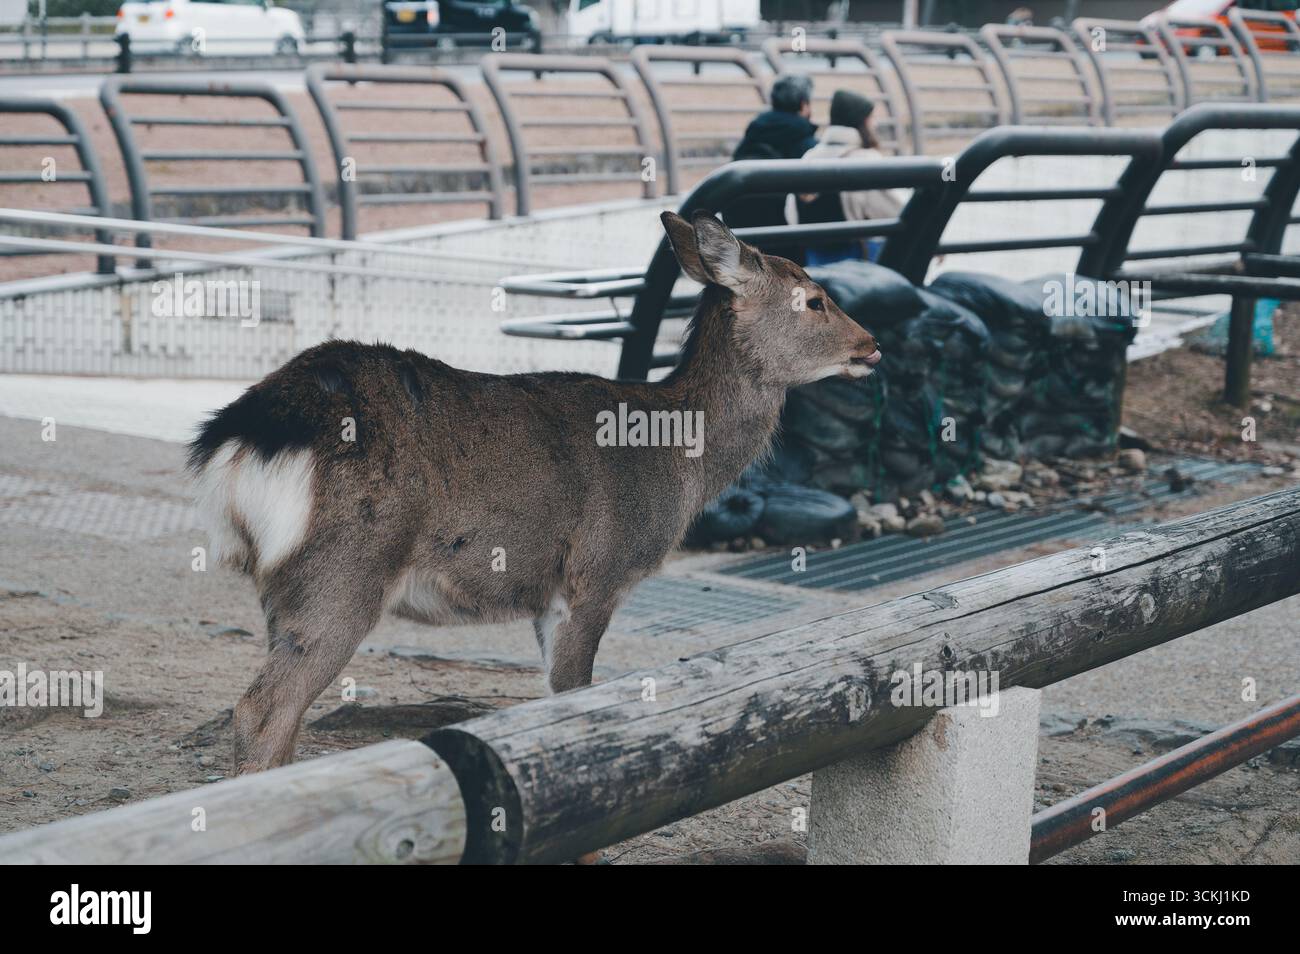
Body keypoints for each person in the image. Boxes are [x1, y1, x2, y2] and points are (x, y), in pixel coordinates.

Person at [789, 89, 907, 266]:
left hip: (815, 265)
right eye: (872, 118)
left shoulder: (809, 157)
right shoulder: (866, 160)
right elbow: (896, 212)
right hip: (858, 267)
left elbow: (791, 213)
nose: (875, 124)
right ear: (863, 121)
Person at [722, 73, 819, 263]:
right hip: (789, 244)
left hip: (745, 239)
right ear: (804, 104)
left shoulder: (753, 136)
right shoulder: (807, 144)